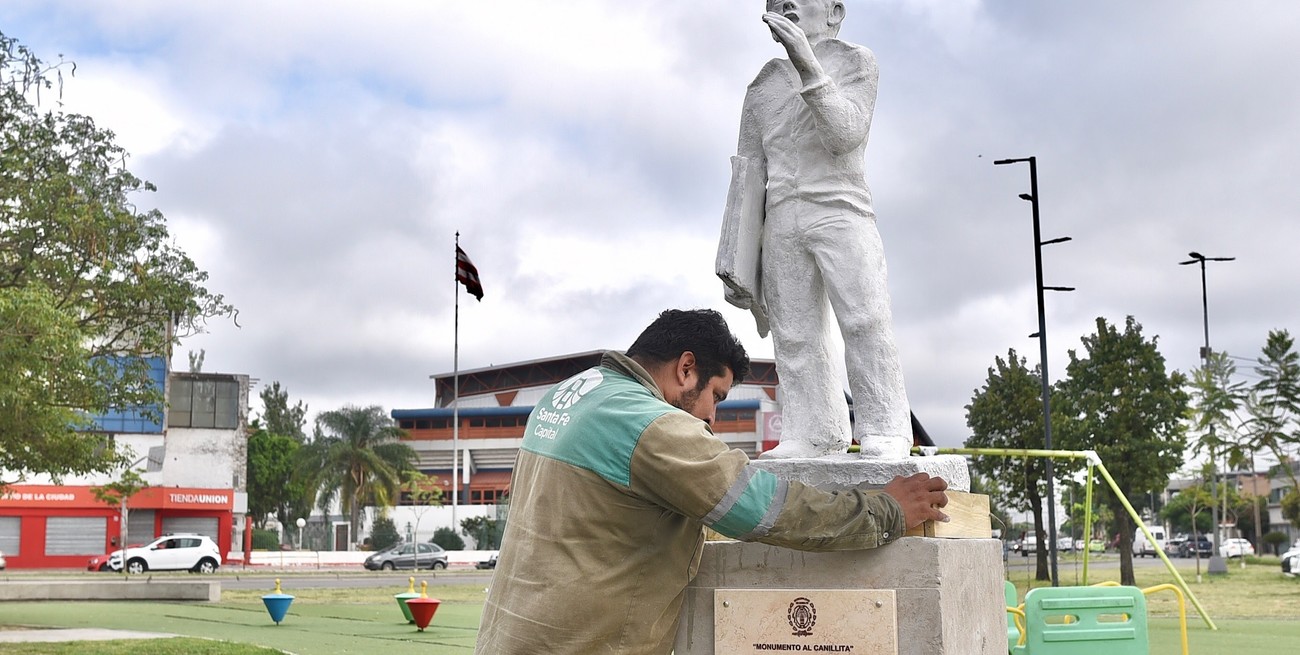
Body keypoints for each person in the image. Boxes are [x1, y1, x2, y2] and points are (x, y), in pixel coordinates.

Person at [473, 308, 949, 655]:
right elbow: (763, 507)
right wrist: (885, 510)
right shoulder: (653, 426)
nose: (712, 418)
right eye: (716, 396)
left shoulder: (568, 396)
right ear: (686, 369)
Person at [721, 0, 911, 459]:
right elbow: (749, 172)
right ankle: (811, 430)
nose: (784, 6)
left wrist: (807, 62)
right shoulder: (763, 86)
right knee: (795, 331)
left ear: (834, 12)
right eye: (775, 2)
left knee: (864, 317)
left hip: (841, 207)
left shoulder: (855, 62)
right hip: (782, 216)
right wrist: (735, 255)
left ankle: (884, 425)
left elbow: (845, 135)